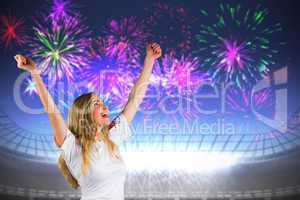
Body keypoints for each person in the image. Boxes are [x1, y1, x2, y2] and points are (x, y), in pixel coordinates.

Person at [14, 42, 162, 200]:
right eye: (96, 104)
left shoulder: (111, 139)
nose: (104, 106)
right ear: (84, 114)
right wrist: (34, 72)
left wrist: (149, 60)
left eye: (102, 102)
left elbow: (134, 99)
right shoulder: (73, 146)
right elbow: (52, 110)